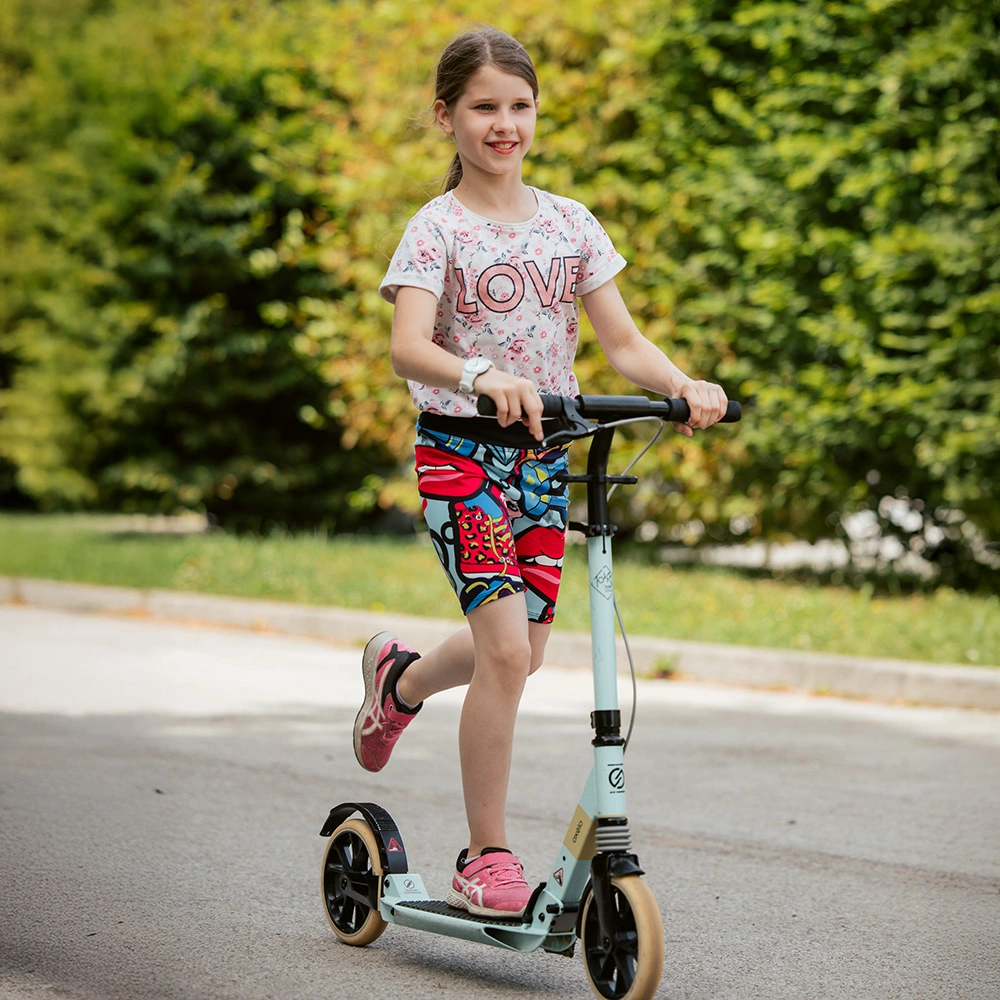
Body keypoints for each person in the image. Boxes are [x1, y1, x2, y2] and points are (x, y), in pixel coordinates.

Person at [353, 25, 728, 920]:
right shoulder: (436, 228)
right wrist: (481, 375)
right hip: (460, 454)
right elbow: (408, 345)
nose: (504, 124)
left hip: (542, 461)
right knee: (505, 651)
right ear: (446, 116)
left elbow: (622, 342)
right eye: (483, 107)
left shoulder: (570, 223)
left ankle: (399, 682)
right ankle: (484, 856)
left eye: (519, 106)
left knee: (520, 654)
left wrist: (683, 385)